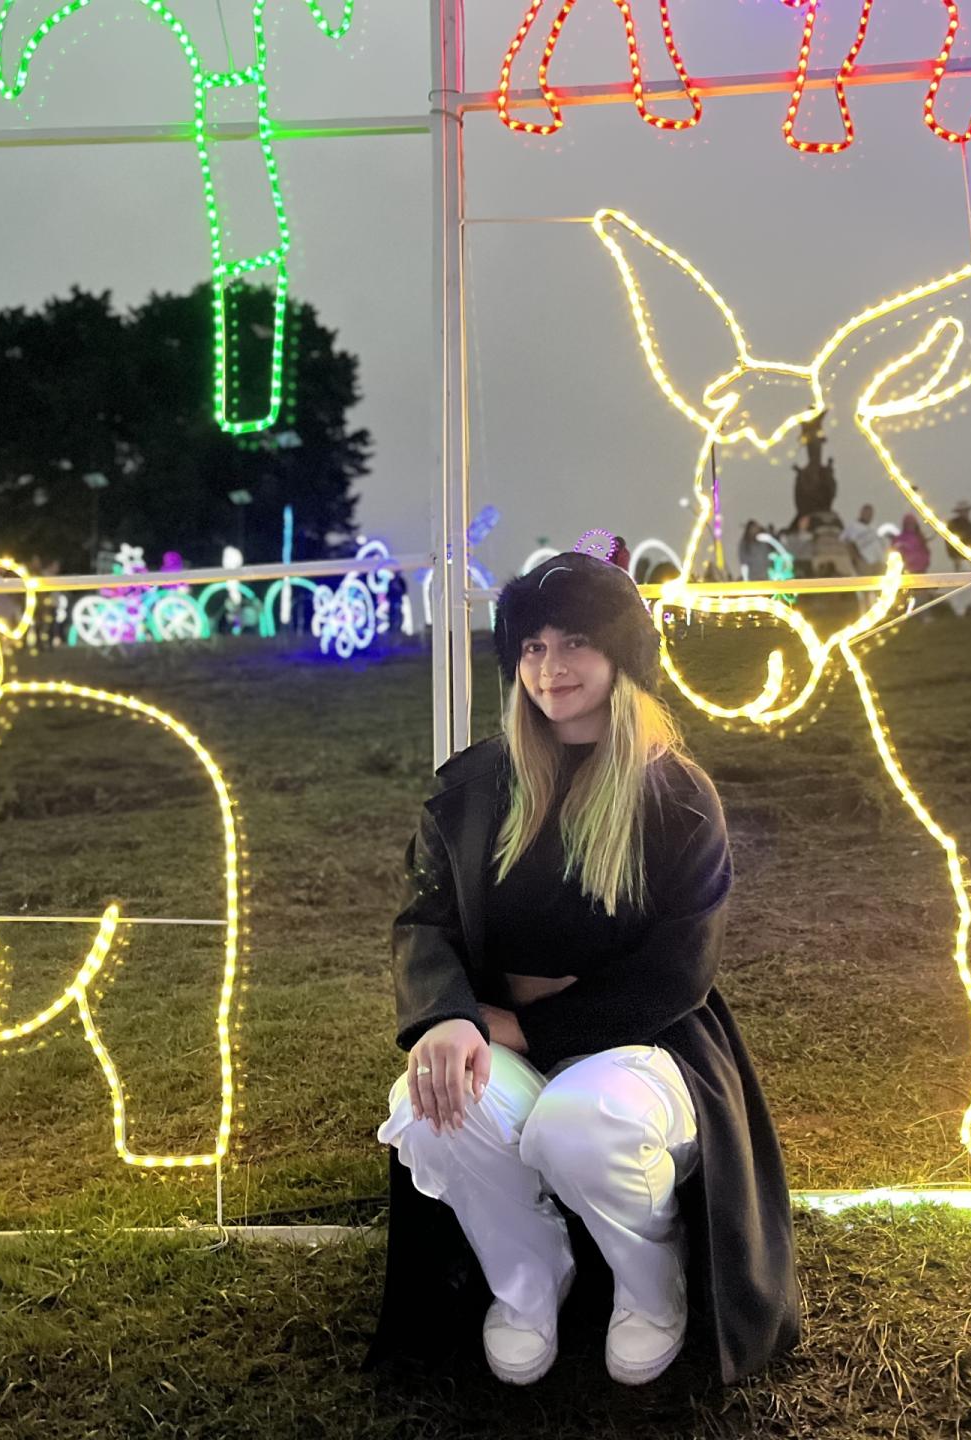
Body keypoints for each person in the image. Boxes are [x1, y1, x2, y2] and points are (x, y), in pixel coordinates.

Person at [370, 551, 800, 1389]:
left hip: (646, 1044)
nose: (550, 667)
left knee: (579, 1125)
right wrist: (447, 1015)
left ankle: (651, 1281)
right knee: (430, 1109)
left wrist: (533, 1028)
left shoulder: (676, 797)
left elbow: (678, 970)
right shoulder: (475, 789)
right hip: (498, 1034)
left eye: (574, 642)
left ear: (621, 654)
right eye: (532, 646)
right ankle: (530, 1279)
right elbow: (425, 919)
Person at [841, 503, 884, 571]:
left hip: (878, 563)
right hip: (863, 564)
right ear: (862, 513)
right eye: (867, 513)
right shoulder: (852, 527)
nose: (869, 516)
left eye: (870, 514)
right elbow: (843, 542)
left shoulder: (873, 529)